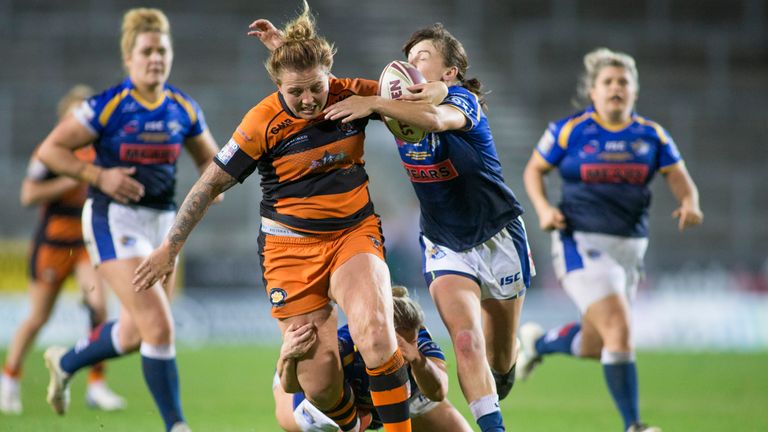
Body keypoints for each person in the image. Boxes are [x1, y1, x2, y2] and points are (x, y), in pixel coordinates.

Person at [133, 2, 446, 431]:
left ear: (329, 73)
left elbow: (428, 108)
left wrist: (383, 101)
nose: (306, 100)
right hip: (289, 249)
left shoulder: (353, 94)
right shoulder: (262, 121)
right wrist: (170, 247)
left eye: (315, 88)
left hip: (352, 233)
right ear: (277, 83)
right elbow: (208, 186)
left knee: (376, 334)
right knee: (317, 381)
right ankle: (352, 425)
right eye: (293, 91)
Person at [322, 23, 534, 432]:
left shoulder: (463, 100)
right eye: (409, 56)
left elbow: (436, 118)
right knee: (467, 341)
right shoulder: (393, 108)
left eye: (423, 57)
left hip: (499, 236)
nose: (411, 62)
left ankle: (506, 367)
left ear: (449, 72)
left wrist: (373, 104)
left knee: (500, 361)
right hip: (445, 243)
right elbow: (323, 87)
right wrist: (285, 47)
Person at [36, 8, 219, 432]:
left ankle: (66, 362)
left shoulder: (183, 107)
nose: (156, 58)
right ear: (129, 58)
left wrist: (213, 186)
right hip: (113, 219)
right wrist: (98, 174)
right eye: (147, 50)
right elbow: (50, 151)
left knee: (141, 332)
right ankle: (177, 426)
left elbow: (211, 162)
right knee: (159, 326)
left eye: (162, 50)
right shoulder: (107, 105)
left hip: (164, 228)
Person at [519, 47, 703, 432]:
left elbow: (680, 179)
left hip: (629, 251)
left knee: (596, 345)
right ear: (593, 91)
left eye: (624, 81)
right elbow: (534, 170)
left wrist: (690, 203)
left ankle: (539, 344)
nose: (616, 87)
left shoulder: (651, 136)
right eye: (608, 81)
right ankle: (634, 425)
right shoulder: (570, 130)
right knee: (619, 329)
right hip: (580, 243)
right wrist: (543, 209)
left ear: (635, 91)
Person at [0, 85, 126, 415]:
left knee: (99, 305)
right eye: (76, 114)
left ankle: (96, 386)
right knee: (38, 317)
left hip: (85, 243)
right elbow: (28, 195)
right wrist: (71, 180)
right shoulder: (49, 152)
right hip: (53, 244)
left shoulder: (99, 151)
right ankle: (9, 379)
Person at [273, 285, 473, 432]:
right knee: (310, 423)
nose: (406, 351)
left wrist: (417, 359)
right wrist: (287, 358)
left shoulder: (419, 343)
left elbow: (438, 392)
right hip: (337, 402)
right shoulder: (344, 346)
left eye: (411, 342)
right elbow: (291, 386)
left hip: (403, 398)